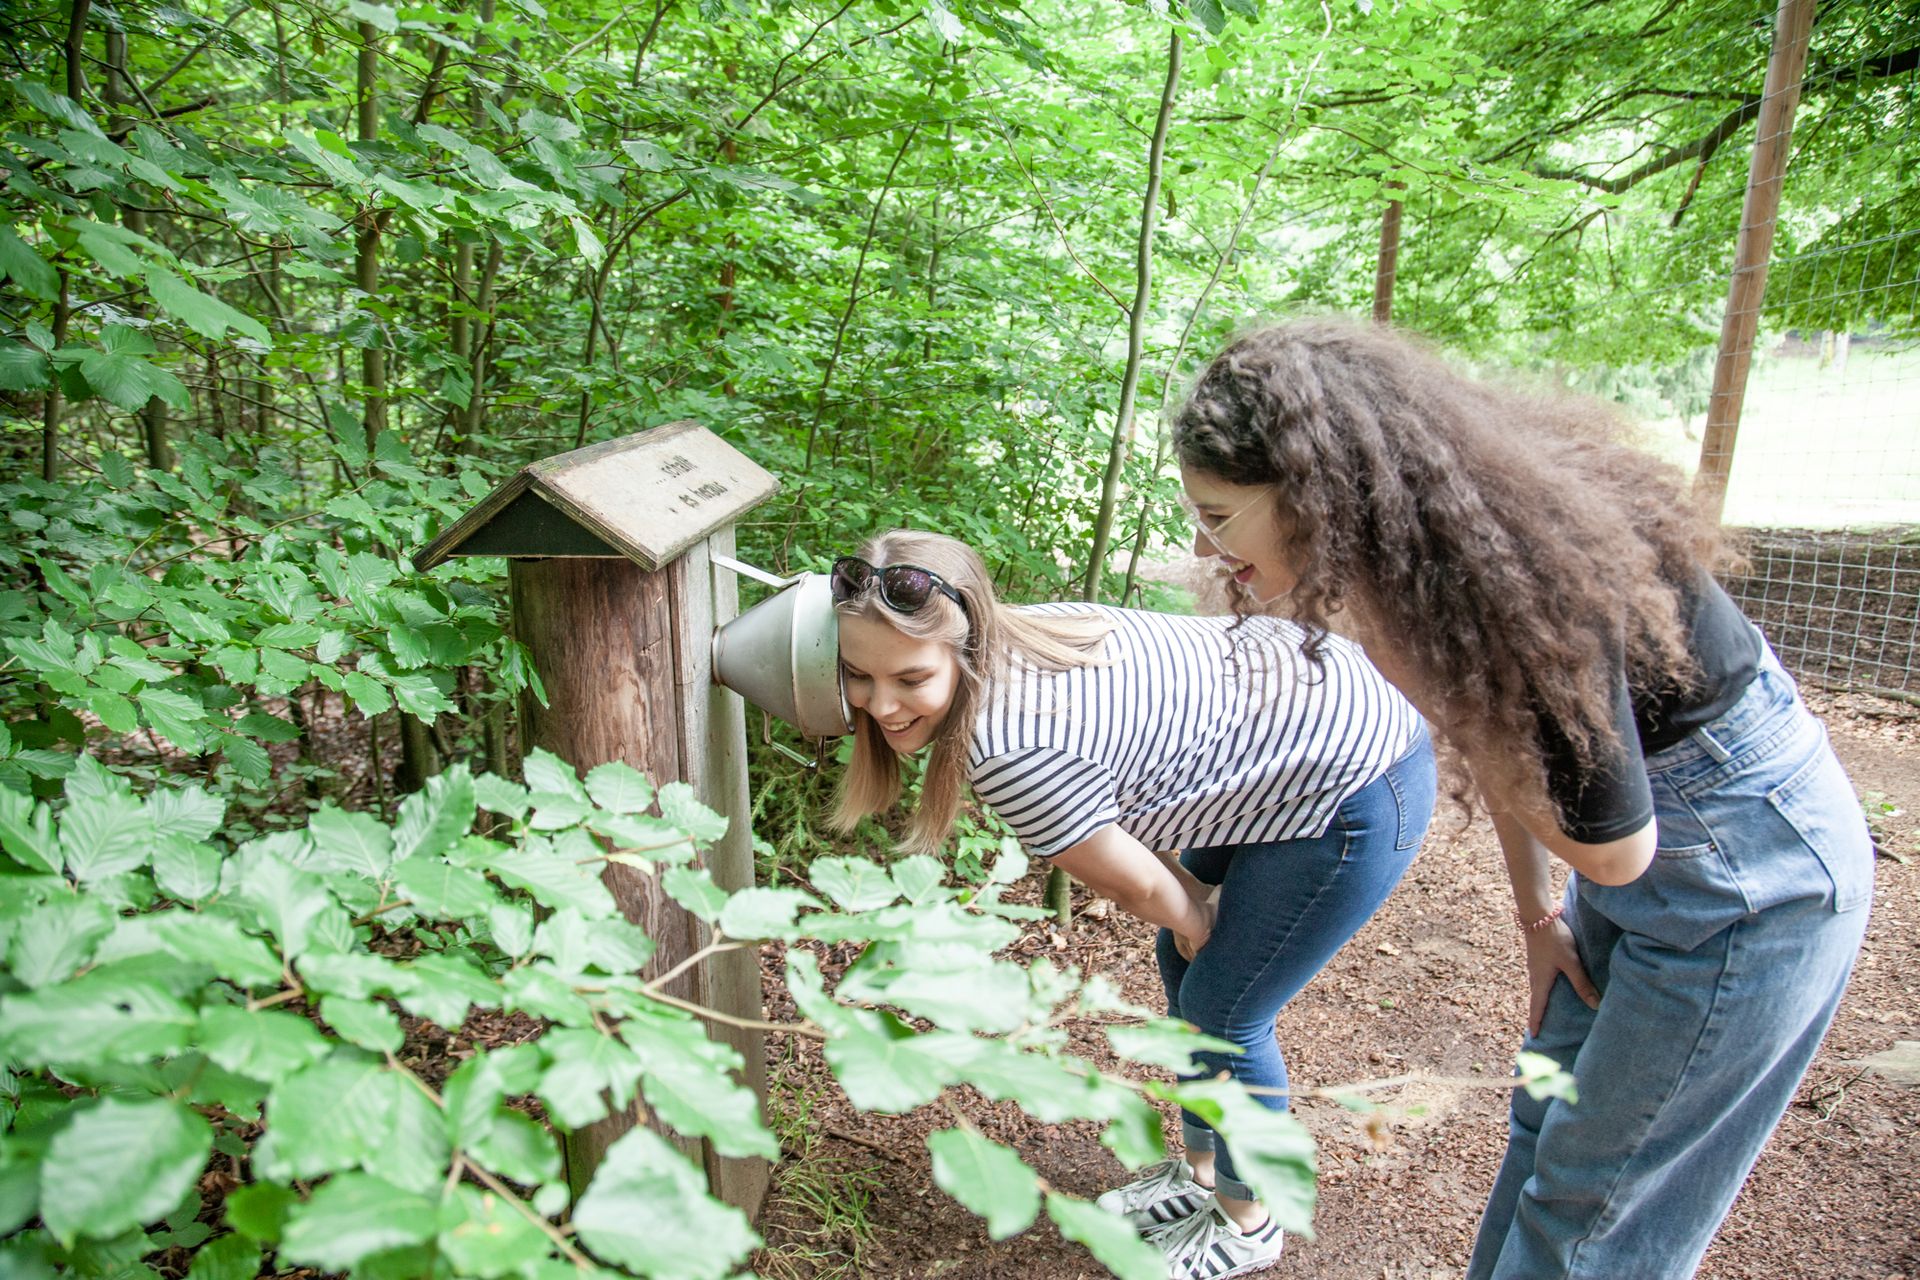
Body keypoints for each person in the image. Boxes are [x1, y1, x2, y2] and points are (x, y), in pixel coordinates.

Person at [1169, 316, 1874, 1280]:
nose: (1206, 548)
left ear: (1312, 492)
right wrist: (1541, 915)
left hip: (1748, 867)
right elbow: (1517, 743)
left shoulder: (1513, 563)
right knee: (1545, 1129)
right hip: (1652, 847)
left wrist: (1412, 675)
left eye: (1217, 516)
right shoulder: (1421, 554)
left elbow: (1613, 845)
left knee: (1594, 1207)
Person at [829, 530, 1436, 1280]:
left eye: (910, 678)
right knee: (1189, 968)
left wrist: (1198, 919)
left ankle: (1252, 1221)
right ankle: (1206, 1177)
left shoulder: (1006, 747)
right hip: (1291, 750)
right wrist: (1190, 922)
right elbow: (1148, 868)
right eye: (858, 675)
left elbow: (1132, 881)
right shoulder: (1012, 633)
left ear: (965, 643)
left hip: (1351, 784)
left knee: (1225, 1011)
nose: (880, 704)